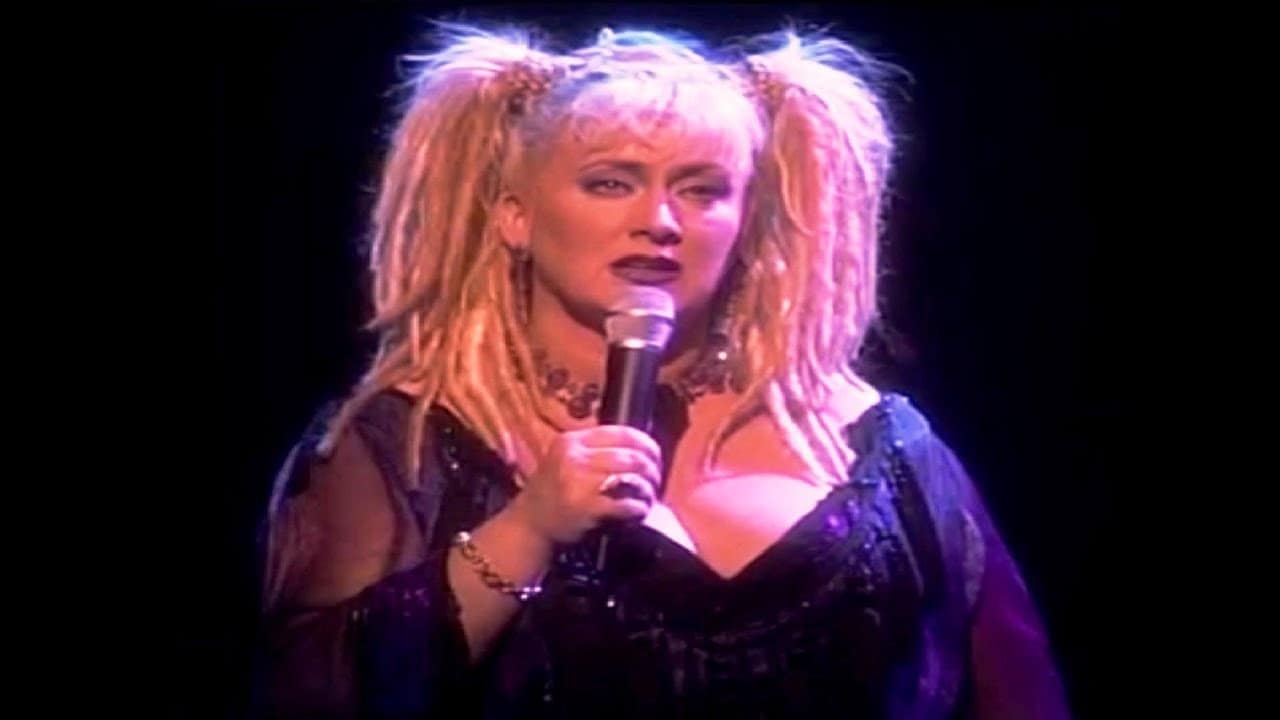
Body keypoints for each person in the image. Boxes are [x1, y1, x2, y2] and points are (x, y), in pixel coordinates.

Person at [253, 21, 1070, 719]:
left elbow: (1022, 697)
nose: (659, 222)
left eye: (702, 191)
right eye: (610, 183)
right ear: (515, 217)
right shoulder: (408, 442)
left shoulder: (871, 444)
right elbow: (303, 692)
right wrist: (527, 530)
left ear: (744, 225)